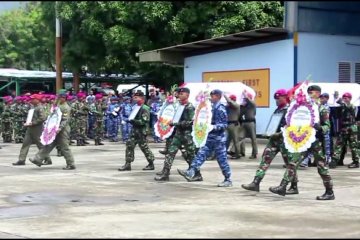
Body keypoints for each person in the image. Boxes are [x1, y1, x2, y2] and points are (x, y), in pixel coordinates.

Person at [268, 85, 335, 200]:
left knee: (321, 167)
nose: (310, 94)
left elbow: (327, 126)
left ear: (318, 93)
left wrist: (320, 127)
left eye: (312, 92)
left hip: (316, 142)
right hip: (303, 140)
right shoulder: (303, 107)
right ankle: (283, 186)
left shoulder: (321, 108)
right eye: (308, 92)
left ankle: (329, 192)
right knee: (293, 162)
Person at [242, 89, 298, 193]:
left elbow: (291, 126)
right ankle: (256, 182)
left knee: (290, 164)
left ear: (284, 97)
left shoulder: (290, 109)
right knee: (265, 160)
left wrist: (280, 133)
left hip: (285, 140)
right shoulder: (278, 109)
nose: (276, 100)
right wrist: (269, 132)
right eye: (275, 98)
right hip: (274, 140)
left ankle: (294, 186)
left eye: (278, 98)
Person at [177, 89, 232, 187]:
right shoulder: (209, 107)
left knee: (222, 160)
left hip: (219, 139)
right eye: (211, 95)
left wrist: (213, 127)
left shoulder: (220, 108)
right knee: (201, 154)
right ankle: (191, 171)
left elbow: (224, 125)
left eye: (214, 95)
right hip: (209, 137)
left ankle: (228, 179)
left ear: (219, 96)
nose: (212, 97)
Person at [155, 87, 200, 181]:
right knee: (170, 153)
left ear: (187, 95)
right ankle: (165, 173)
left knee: (190, 155)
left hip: (187, 135)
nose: (179, 95)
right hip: (178, 134)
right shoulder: (179, 105)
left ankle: (197, 174)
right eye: (179, 93)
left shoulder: (190, 107)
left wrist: (176, 123)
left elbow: (190, 122)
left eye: (182, 93)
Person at [29, 89, 76, 170]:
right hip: (53, 129)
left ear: (64, 98)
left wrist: (60, 128)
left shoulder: (66, 107)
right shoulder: (57, 105)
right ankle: (38, 159)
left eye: (59, 97)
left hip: (62, 130)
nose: (57, 98)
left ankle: (71, 164)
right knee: (48, 144)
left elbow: (65, 119)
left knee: (64, 147)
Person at [118, 92, 155, 171]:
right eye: (134, 97)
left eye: (136, 97)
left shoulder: (145, 108)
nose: (134, 99)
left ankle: (151, 163)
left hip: (141, 131)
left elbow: (144, 121)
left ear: (141, 98)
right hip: (134, 130)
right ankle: (127, 164)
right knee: (129, 145)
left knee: (144, 147)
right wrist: (129, 120)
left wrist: (133, 121)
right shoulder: (135, 107)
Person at [12, 94, 52, 166]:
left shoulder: (40, 108)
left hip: (37, 128)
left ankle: (47, 159)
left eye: (33, 99)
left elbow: (42, 118)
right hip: (30, 128)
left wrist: (33, 123)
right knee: (25, 144)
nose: (31, 100)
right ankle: (21, 159)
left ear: (37, 100)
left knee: (40, 144)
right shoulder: (33, 107)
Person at [300, 92, 332, 168]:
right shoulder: (307, 108)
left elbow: (327, 124)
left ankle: (324, 161)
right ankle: (306, 161)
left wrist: (321, 128)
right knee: (307, 147)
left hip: (320, 132)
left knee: (323, 148)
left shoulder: (323, 109)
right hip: (309, 131)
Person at [330, 92, 359, 168]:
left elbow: (347, 106)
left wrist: (339, 100)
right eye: (344, 98)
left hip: (352, 128)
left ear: (350, 99)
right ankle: (335, 160)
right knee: (339, 144)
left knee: (354, 145)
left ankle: (356, 162)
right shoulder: (341, 107)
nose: (345, 99)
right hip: (343, 128)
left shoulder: (352, 106)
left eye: (346, 98)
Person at [237, 90, 258, 159]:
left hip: (251, 123)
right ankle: (234, 151)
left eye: (246, 99)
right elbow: (240, 114)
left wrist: (245, 95)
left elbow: (250, 101)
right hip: (245, 122)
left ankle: (254, 153)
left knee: (253, 139)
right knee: (240, 137)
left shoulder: (252, 105)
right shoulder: (244, 107)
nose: (245, 100)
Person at [224, 94, 242, 159]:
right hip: (228, 125)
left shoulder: (236, 106)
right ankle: (224, 153)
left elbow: (230, 102)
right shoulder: (227, 107)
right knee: (226, 140)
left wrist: (225, 96)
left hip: (234, 125)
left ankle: (237, 154)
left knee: (235, 140)